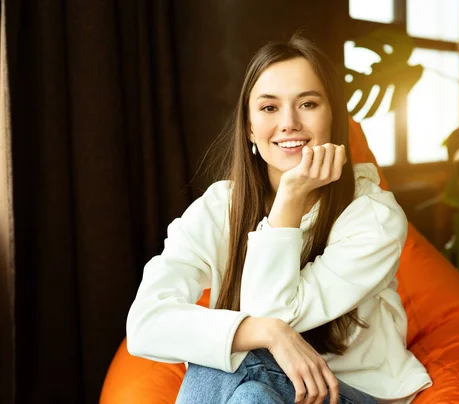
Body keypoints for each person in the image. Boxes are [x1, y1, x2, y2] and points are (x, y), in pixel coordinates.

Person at [126, 34, 431, 404]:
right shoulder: (221, 206)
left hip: (354, 395)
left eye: (308, 103)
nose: (289, 123)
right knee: (250, 398)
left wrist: (289, 198)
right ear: (250, 127)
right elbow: (144, 325)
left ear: (333, 117)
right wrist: (269, 333)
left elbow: (271, 313)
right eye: (269, 108)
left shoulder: (372, 217)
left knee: (225, 361)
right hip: (267, 389)